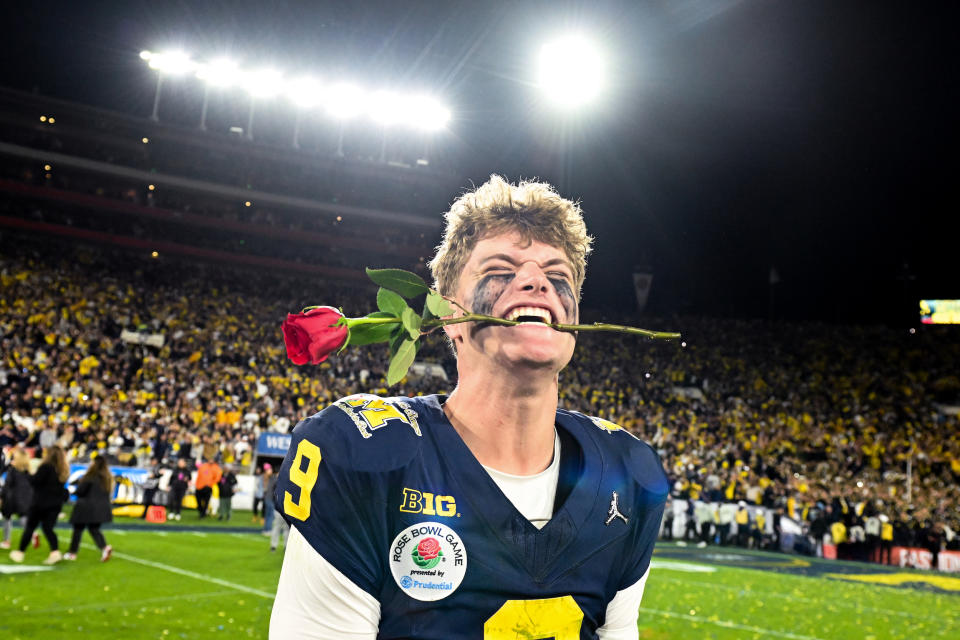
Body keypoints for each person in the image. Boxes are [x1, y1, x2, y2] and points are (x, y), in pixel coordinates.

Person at [270, 176, 669, 639]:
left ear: (574, 317)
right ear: (448, 315)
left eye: (557, 275)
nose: (537, 281)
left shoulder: (624, 472)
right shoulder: (364, 453)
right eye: (502, 267)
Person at [9, 446, 70, 564]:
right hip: (55, 504)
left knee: (30, 527)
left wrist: (25, 472)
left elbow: (35, 481)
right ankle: (55, 552)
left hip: (41, 503)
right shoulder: (62, 469)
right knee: (48, 528)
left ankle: (20, 552)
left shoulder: (46, 467)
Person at [64, 455, 113, 562]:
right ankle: (104, 547)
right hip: (101, 509)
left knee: (78, 530)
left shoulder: (90, 477)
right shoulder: (107, 478)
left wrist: (74, 489)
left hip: (86, 507)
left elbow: (81, 492)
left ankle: (72, 553)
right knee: (94, 529)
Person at [1, 448, 33, 549]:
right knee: (23, 517)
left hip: (11, 497)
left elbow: (7, 485)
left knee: (7, 518)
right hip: (25, 497)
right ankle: (31, 534)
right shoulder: (28, 471)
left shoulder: (13, 470)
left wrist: (2, 497)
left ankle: (6, 541)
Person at [167, 457, 192, 521]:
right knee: (172, 499)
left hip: (182, 487)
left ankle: (178, 513)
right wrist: (169, 485)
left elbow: (189, 478)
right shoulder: (175, 469)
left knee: (179, 501)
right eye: (179, 462)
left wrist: (187, 480)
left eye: (182, 462)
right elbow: (172, 478)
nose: (180, 464)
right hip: (174, 486)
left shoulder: (187, 471)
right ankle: (171, 512)